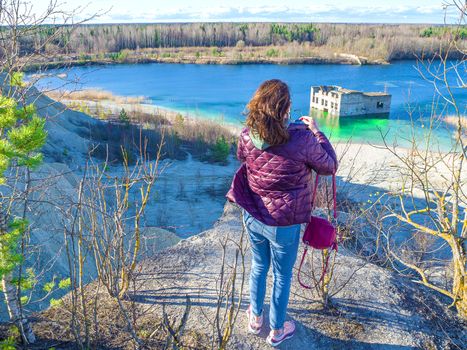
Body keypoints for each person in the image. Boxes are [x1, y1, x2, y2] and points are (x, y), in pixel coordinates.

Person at [226, 79, 338, 347]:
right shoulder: (302, 138)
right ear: (284, 108)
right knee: (282, 275)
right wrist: (318, 132)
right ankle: (276, 331)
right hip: (284, 221)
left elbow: (243, 157)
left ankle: (255, 318)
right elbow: (329, 166)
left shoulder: (246, 134)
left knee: (259, 266)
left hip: (253, 213)